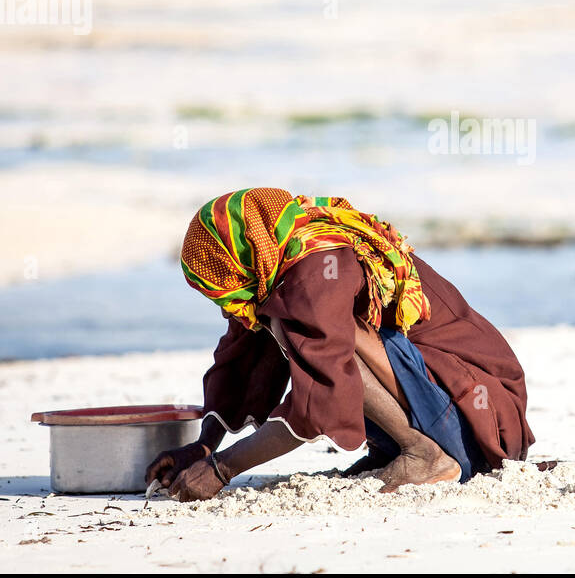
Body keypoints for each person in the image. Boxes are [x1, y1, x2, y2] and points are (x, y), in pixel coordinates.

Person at [145, 188, 534, 501]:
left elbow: (320, 395)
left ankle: (425, 453)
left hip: (479, 426)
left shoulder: (317, 266)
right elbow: (239, 357)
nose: (226, 303)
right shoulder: (280, 260)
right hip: (461, 418)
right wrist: (204, 448)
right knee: (276, 320)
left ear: (241, 258)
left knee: (308, 328)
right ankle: (400, 450)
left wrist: (222, 469)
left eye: (224, 285)